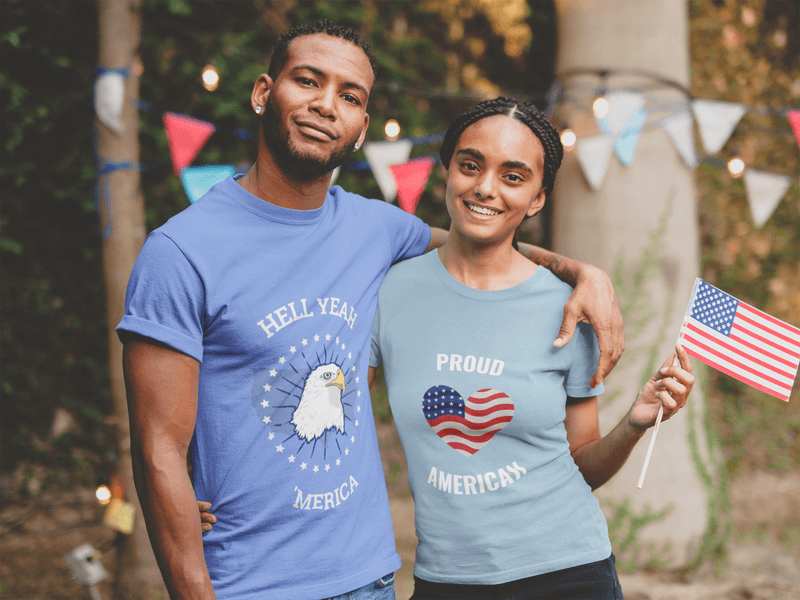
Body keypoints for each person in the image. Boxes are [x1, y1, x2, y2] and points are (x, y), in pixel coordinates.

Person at [120, 20, 624, 600]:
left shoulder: (377, 228)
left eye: (350, 96)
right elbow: (158, 451)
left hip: (370, 579)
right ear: (264, 93)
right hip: (248, 584)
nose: (325, 105)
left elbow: (484, 243)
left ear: (361, 127)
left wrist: (584, 273)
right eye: (307, 80)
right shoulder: (181, 252)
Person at [364, 98, 695, 599]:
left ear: (538, 198)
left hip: (569, 573)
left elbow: (582, 462)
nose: (486, 188)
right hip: (446, 578)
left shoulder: (569, 308)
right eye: (470, 165)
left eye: (513, 177)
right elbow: (339, 419)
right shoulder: (390, 292)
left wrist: (633, 424)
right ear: (447, 171)